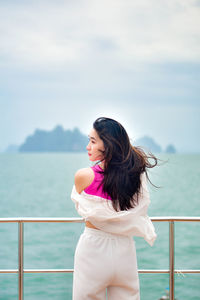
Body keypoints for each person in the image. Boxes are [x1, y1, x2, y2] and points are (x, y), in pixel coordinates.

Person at [71, 117, 158, 300]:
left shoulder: (84, 176)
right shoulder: (135, 177)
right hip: (124, 248)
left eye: (93, 141)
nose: (88, 146)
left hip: (93, 247)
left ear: (108, 145)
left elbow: (81, 202)